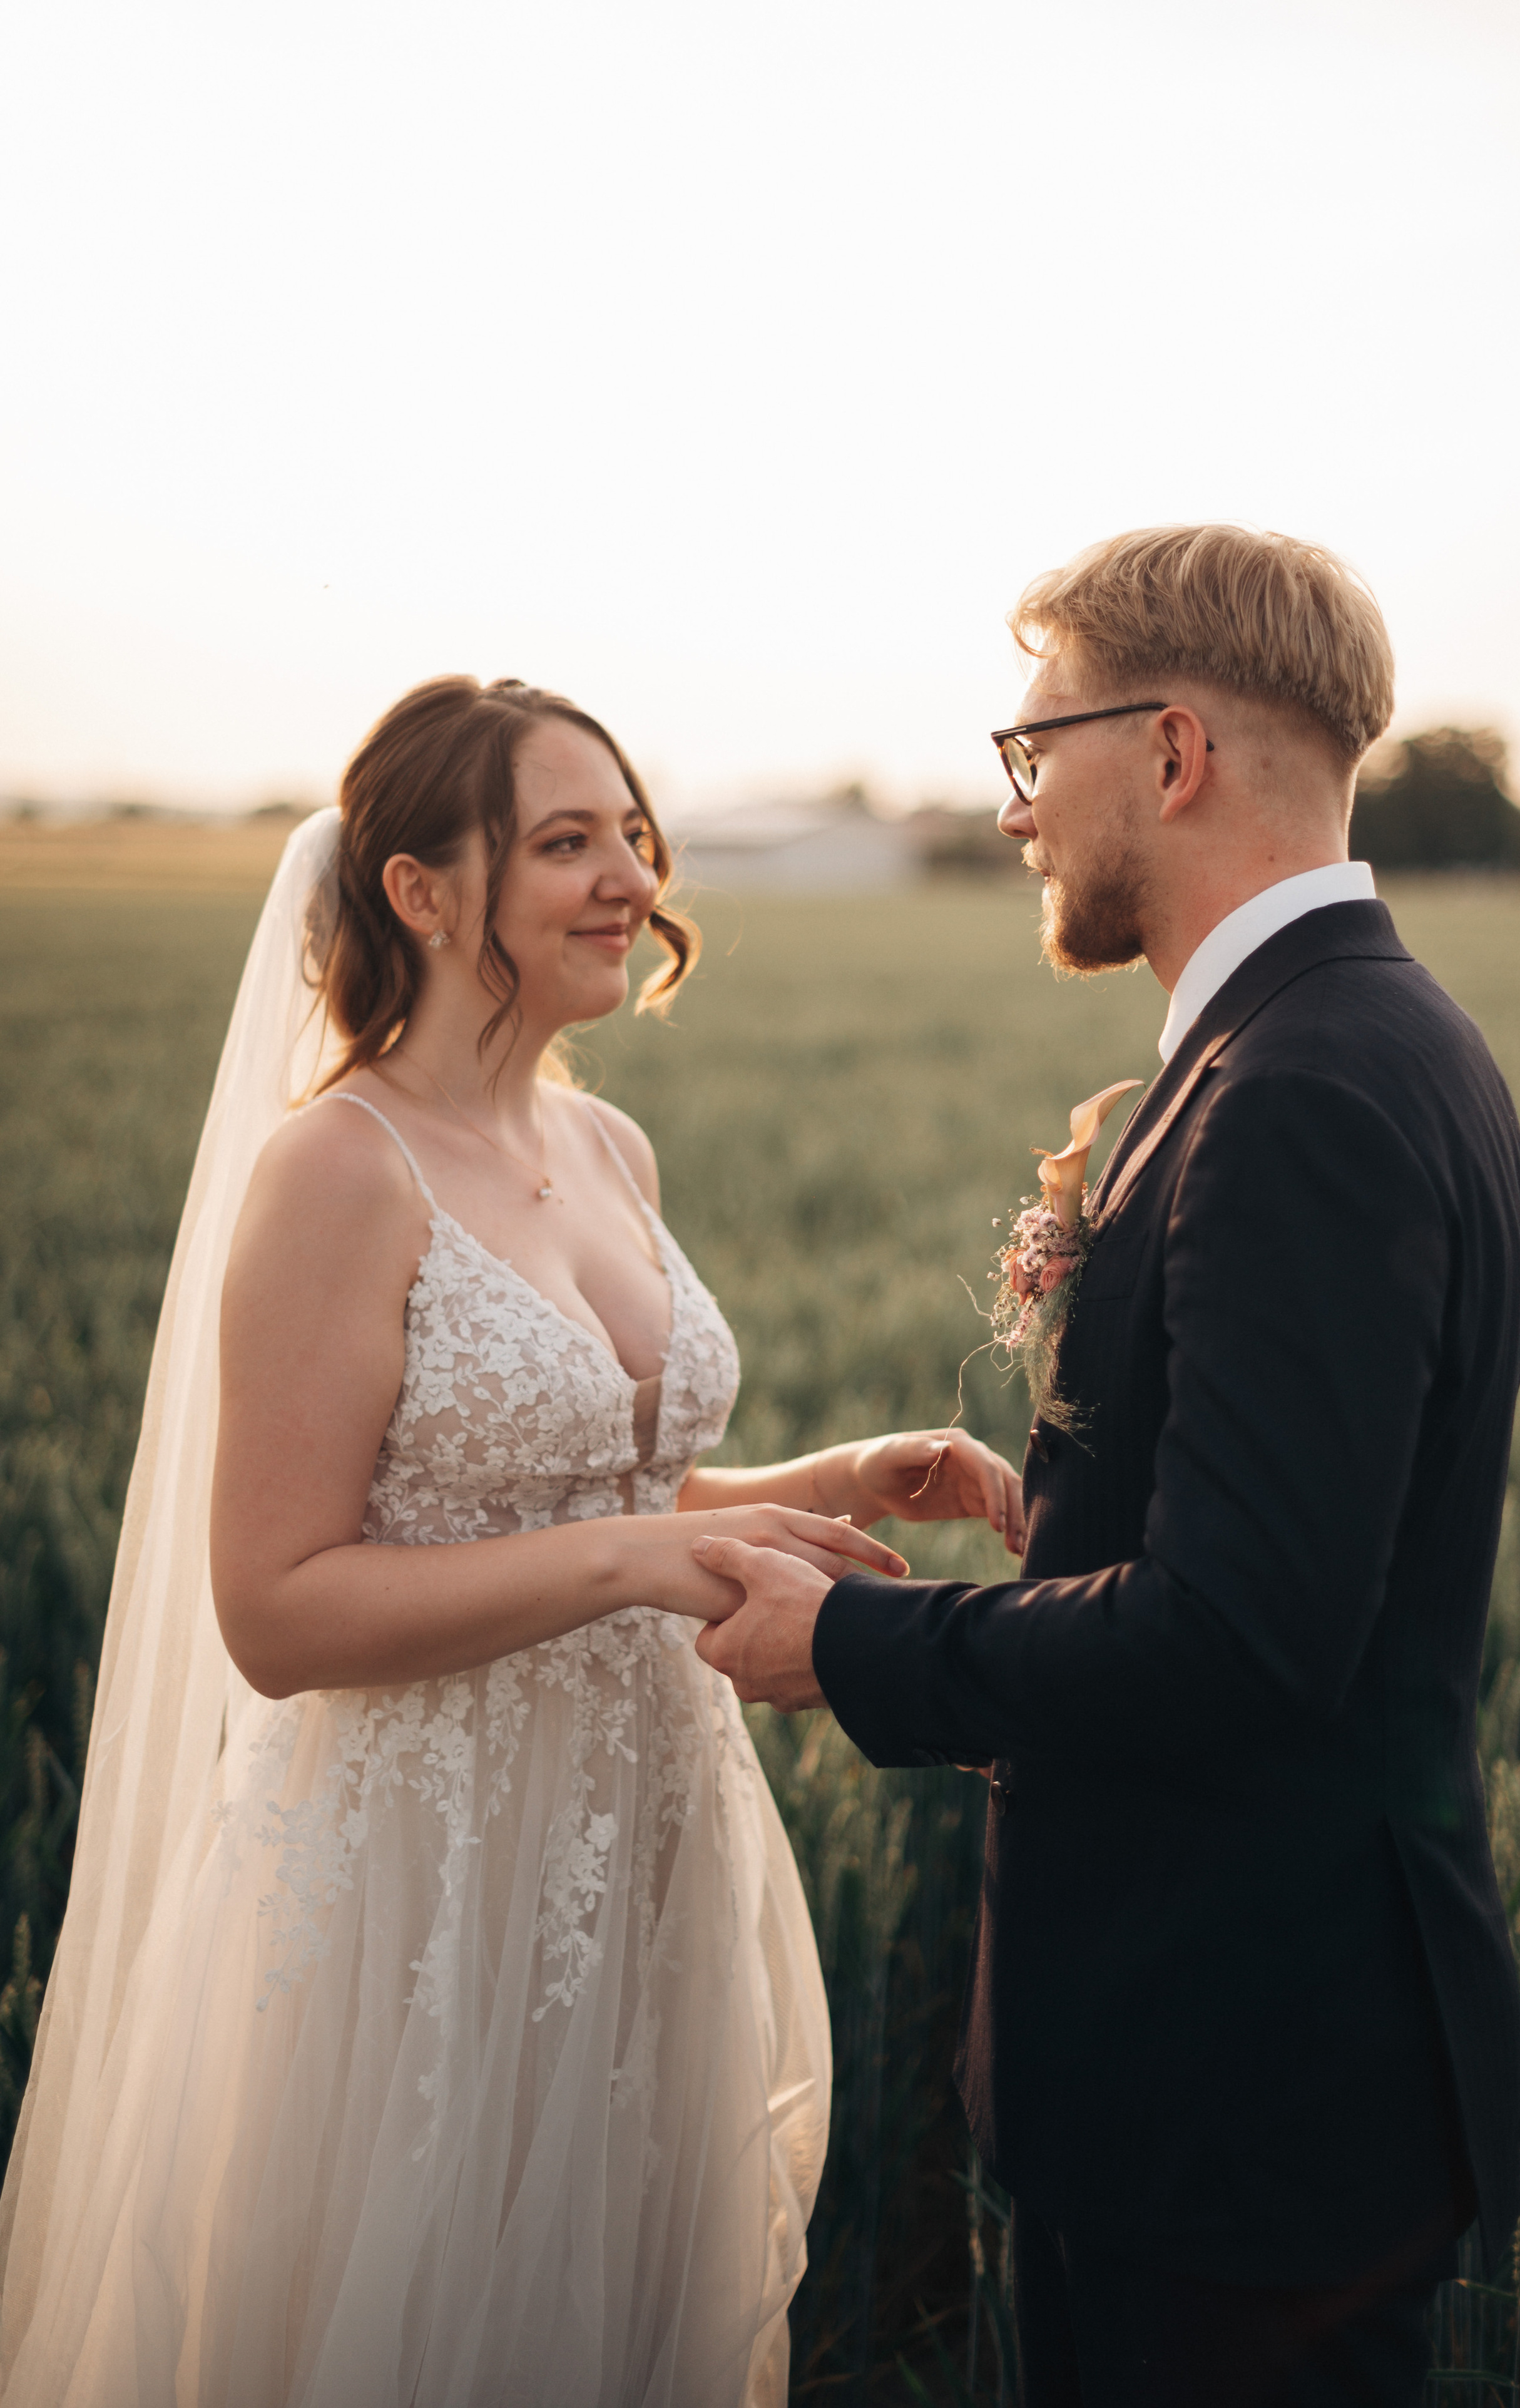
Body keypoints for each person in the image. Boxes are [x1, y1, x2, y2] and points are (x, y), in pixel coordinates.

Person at [0, 674, 1023, 2408]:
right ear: (418, 887)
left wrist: (839, 1475)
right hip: (423, 1877)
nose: (630, 874)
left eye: (632, 833)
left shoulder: (602, 1142)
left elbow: (559, 1499)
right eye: (566, 841)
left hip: (641, 1853)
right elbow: (280, 1604)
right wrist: (636, 1565)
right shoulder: (340, 1166)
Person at [692, 528, 1520, 2407]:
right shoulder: (1355, 1037)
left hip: (1244, 2093)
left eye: (1027, 752)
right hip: (1243, 2065)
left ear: (1169, 753)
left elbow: (1238, 1638)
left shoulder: (1300, 1089)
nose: (1009, 812)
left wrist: (852, 1642)